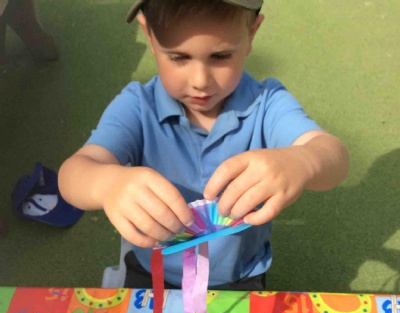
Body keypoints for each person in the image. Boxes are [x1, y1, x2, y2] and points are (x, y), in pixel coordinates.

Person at [58, 0, 349, 291]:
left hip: (238, 275)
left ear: (251, 33)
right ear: (149, 35)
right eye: (179, 57)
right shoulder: (137, 106)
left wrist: (303, 161)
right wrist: (107, 184)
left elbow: (332, 154)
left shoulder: (268, 103)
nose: (200, 81)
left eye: (221, 56)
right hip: (152, 270)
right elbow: (73, 173)